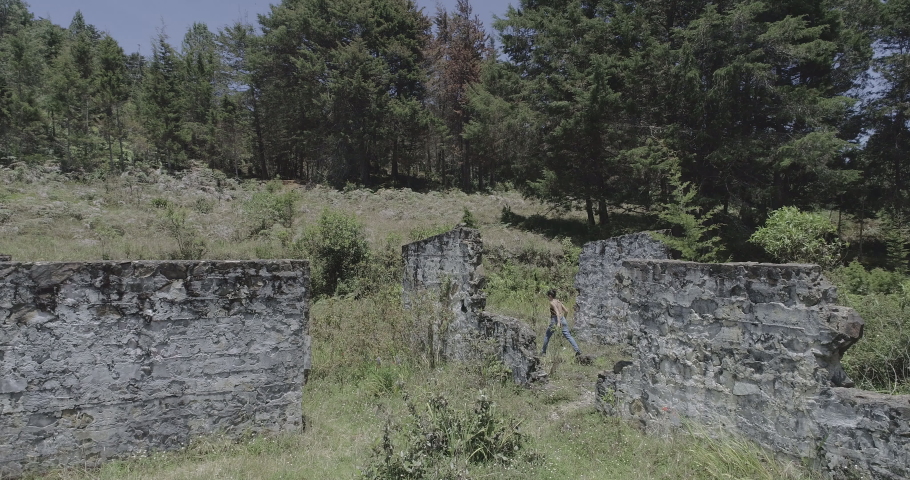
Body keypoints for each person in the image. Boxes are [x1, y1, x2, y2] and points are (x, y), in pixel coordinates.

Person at [541, 288, 582, 356]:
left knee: (547, 336)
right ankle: (578, 350)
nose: (548, 298)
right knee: (568, 336)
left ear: (550, 296)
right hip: (562, 319)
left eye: (548, 296)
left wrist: (558, 323)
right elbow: (566, 311)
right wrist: (564, 319)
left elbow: (557, 312)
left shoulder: (552, 303)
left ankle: (543, 352)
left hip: (555, 319)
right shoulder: (559, 301)